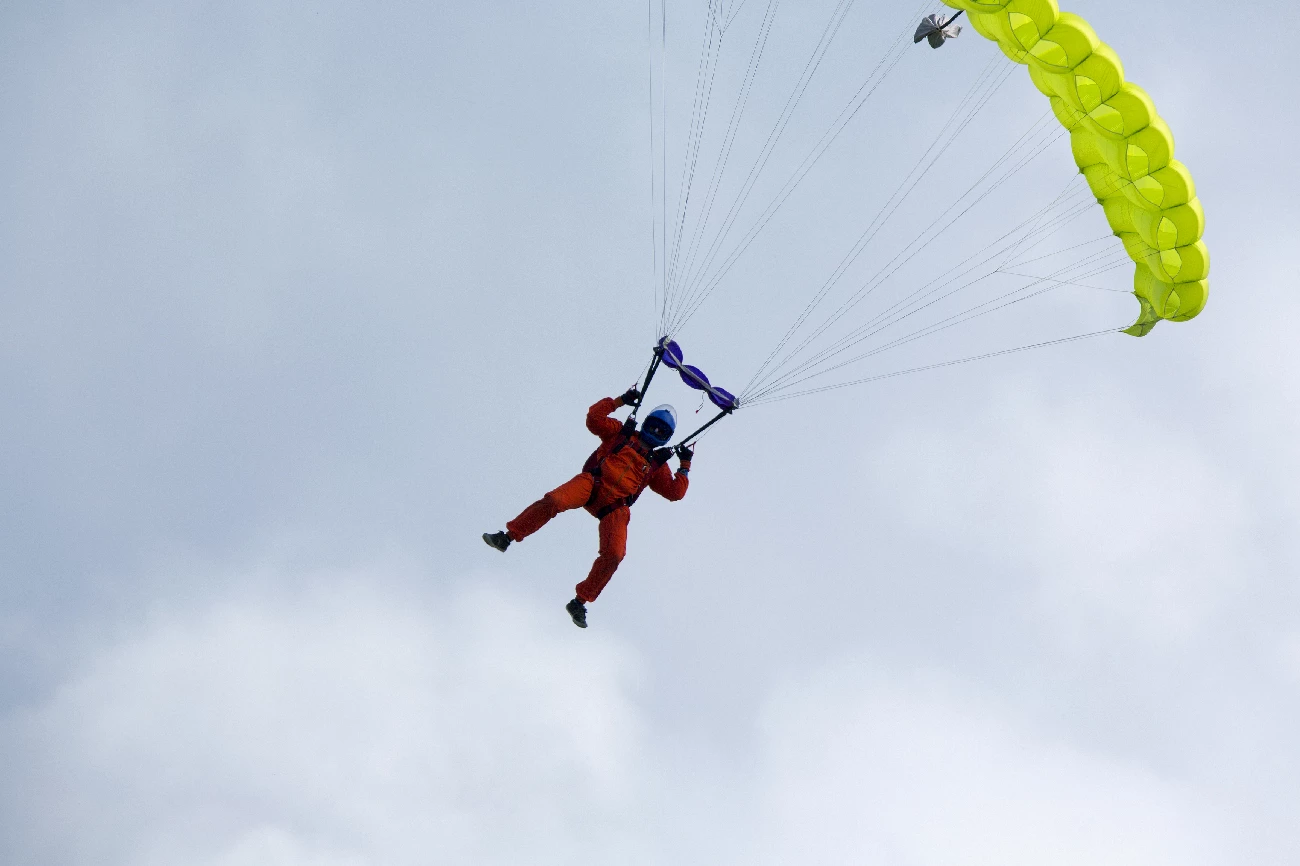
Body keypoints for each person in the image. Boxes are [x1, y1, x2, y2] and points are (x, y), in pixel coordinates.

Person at [483, 388, 694, 628]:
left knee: (614, 554)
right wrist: (620, 401)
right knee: (554, 501)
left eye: (661, 431)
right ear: (646, 423)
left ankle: (579, 602)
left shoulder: (657, 466)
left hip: (615, 507)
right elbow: (594, 419)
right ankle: (507, 537)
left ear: (666, 437)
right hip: (592, 483)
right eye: (653, 426)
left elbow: (675, 492)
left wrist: (685, 464)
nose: (655, 432)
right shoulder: (621, 434)